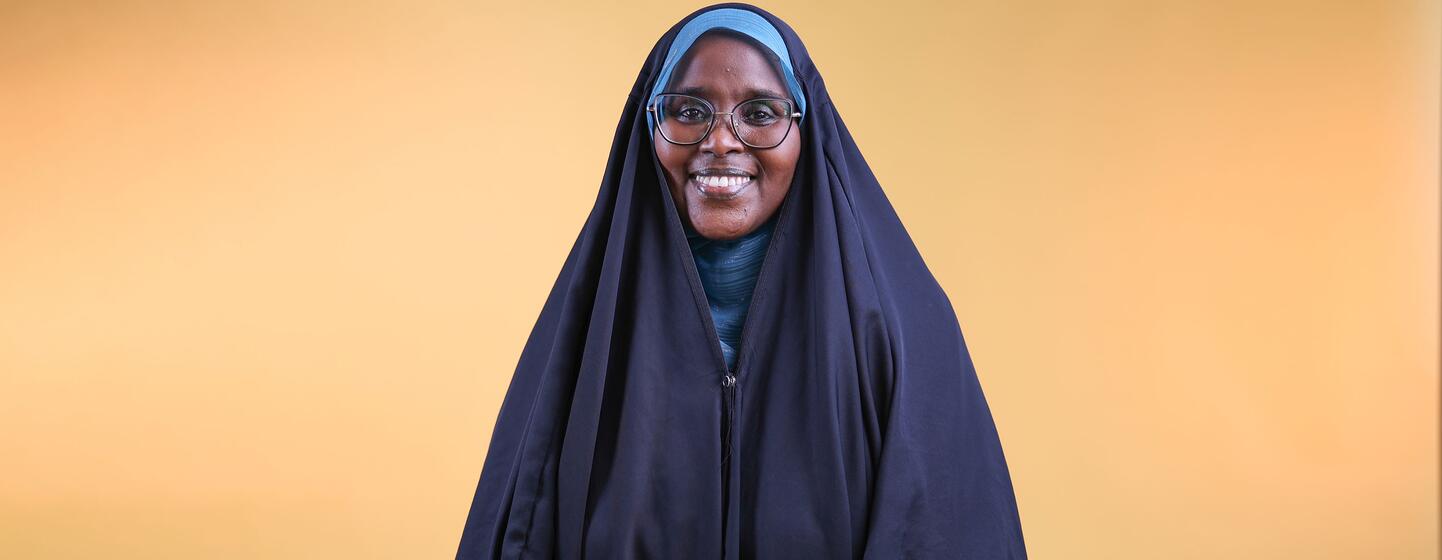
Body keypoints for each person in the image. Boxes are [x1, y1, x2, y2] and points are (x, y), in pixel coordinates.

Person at [455, 4, 1028, 559]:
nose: (721, 141)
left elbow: (947, 534)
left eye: (759, 113)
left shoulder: (904, 334)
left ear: (807, 132)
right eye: (689, 110)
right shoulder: (584, 340)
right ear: (647, 127)